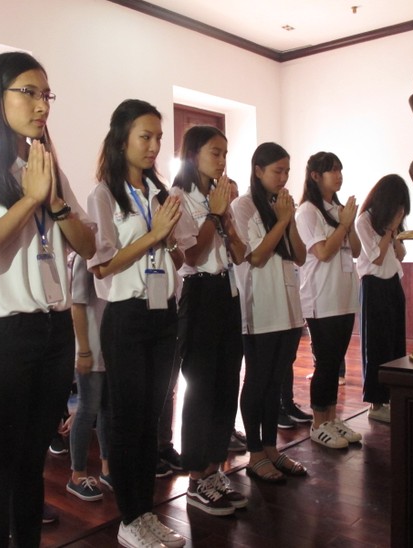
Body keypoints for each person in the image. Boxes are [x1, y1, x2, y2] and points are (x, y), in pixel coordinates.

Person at [0, 51, 96, 547]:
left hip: (52, 331)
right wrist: (30, 199)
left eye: (45, 94)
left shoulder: (44, 164)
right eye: (27, 92)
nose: (41, 104)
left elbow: (88, 244)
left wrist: (54, 199)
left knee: (32, 464)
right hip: (0, 336)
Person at [87, 98, 186, 548]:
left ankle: (145, 512)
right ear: (121, 138)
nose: (154, 146)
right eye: (145, 137)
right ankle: (130, 518)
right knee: (127, 420)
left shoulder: (159, 193)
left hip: (164, 311)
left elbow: (178, 252)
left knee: (152, 417)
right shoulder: (104, 195)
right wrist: (154, 235)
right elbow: (102, 265)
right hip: (125, 316)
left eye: (159, 138)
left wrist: (173, 245)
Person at [170, 126, 247, 516]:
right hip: (198, 293)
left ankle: (216, 468)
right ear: (192, 154)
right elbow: (192, 257)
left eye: (225, 153)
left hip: (227, 291)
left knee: (226, 381)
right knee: (199, 386)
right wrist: (214, 214)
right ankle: (196, 477)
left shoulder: (219, 199)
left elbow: (242, 251)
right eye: (215, 153)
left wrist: (227, 220)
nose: (222, 161)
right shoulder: (179, 198)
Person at [231, 142, 308, 483]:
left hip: (288, 307)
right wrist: (282, 219)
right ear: (258, 170)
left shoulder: (283, 205)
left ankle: (272, 448)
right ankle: (255, 455)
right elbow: (257, 256)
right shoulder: (242, 206)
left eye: (287, 171)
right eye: (278, 170)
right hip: (259, 308)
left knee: (276, 381)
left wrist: (287, 220)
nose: (283, 177)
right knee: (258, 381)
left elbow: (300, 255)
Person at [295, 152, 363, 449]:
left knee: (335, 363)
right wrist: (343, 225)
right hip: (322, 298)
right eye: (332, 170)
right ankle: (318, 423)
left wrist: (350, 222)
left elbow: (357, 251)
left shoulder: (337, 209)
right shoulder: (307, 211)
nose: (339, 175)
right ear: (315, 176)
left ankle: (333, 418)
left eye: (340, 170)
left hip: (345, 296)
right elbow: (322, 252)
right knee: (325, 363)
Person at [354, 174, 410, 424]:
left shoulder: (393, 223)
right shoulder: (364, 220)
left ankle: (393, 396)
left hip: (393, 284)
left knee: (395, 341)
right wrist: (389, 229)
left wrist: (395, 229)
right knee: (375, 344)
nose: (401, 211)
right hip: (374, 285)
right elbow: (375, 256)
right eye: (398, 205)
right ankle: (376, 403)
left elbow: (401, 254)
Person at [66, 253, 111, 502]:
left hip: (110, 344)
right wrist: (83, 349)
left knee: (107, 409)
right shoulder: (87, 256)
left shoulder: (114, 249)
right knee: (87, 409)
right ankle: (77, 474)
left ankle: (107, 468)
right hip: (91, 345)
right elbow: (77, 303)